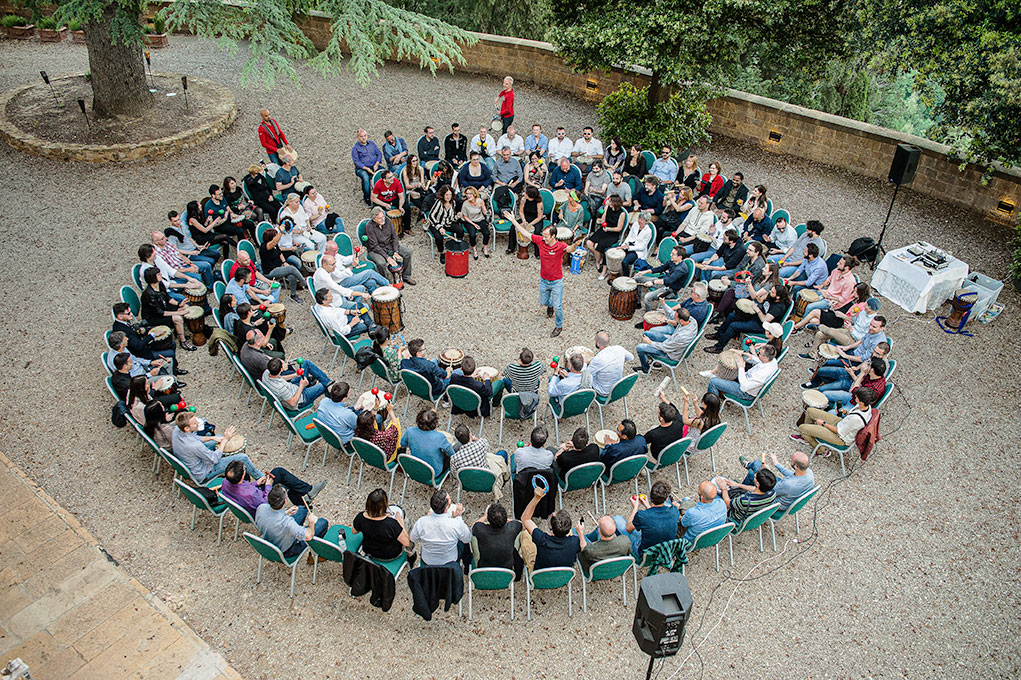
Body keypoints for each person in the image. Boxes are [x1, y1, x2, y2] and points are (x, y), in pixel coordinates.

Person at [506, 216, 570, 337]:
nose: (543, 237)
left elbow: (570, 248)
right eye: (543, 235)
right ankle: (549, 305)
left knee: (558, 306)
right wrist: (513, 221)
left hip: (557, 281)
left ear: (553, 236)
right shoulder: (540, 241)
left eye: (546, 236)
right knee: (543, 302)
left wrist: (575, 245)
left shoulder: (560, 246)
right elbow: (525, 232)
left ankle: (558, 326)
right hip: (544, 280)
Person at [171, 412, 260, 483]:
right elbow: (214, 459)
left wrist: (212, 437)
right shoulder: (195, 446)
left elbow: (195, 438)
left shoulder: (177, 430)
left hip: (190, 458)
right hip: (204, 472)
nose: (198, 423)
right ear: (186, 428)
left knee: (219, 437)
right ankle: (261, 478)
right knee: (243, 457)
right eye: (194, 423)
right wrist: (225, 439)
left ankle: (233, 465)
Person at [220, 459, 326, 518]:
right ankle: (306, 492)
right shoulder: (250, 494)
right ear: (243, 475)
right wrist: (268, 485)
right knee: (282, 480)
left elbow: (242, 487)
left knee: (279, 474)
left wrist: (256, 483)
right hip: (260, 508)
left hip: (247, 500)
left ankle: (303, 500)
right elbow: (265, 503)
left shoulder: (226, 482)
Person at [703, 282, 789, 353]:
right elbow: (762, 301)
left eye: (772, 292)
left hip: (761, 326)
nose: (770, 292)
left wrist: (757, 310)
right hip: (755, 317)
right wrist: (760, 300)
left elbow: (764, 320)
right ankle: (719, 335)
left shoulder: (778, 308)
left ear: (778, 297)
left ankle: (719, 347)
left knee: (734, 326)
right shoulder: (772, 297)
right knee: (731, 316)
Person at [793, 386, 878, 451]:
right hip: (841, 423)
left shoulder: (857, 419)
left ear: (861, 401)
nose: (854, 398)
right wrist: (844, 412)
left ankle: (821, 451)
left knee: (802, 428)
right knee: (810, 411)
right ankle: (808, 434)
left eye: (856, 397)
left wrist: (823, 424)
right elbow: (850, 417)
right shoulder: (864, 406)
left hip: (840, 438)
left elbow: (839, 431)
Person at [255, 485, 328, 559]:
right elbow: (309, 536)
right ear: (285, 501)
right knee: (323, 523)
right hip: (287, 550)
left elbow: (272, 518)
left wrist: (286, 513)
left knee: (302, 509)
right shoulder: (287, 522)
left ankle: (298, 528)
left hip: (269, 539)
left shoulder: (261, 507)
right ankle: (317, 556)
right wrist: (311, 523)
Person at [614, 481, 680, 558]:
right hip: (666, 549)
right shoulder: (674, 511)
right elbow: (657, 517)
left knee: (616, 519)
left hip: (646, 553)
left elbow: (629, 528)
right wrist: (648, 506)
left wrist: (635, 507)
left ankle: (622, 548)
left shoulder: (642, 515)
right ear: (665, 500)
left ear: (651, 497)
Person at [520, 485, 580, 570]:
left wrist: (536, 498)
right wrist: (580, 533)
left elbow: (525, 519)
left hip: (538, 577)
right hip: (562, 577)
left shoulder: (541, 540)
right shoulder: (575, 541)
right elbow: (584, 546)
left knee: (525, 533)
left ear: (551, 526)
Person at [410, 490, 471, 566]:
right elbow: (467, 539)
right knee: (463, 539)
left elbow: (413, 539)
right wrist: (458, 516)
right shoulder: (456, 524)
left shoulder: (421, 522)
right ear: (446, 508)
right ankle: (467, 565)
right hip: (449, 561)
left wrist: (427, 517)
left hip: (428, 560)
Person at [737, 451, 814, 510]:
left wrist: (768, 471)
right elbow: (791, 474)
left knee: (752, 474)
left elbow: (768, 488)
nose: (790, 461)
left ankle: (738, 492)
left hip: (774, 501)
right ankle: (749, 465)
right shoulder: (808, 473)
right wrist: (776, 464)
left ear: (796, 466)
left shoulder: (789, 485)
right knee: (757, 463)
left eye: (791, 461)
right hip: (784, 491)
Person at [140, 267, 195, 349]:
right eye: (158, 274)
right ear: (153, 278)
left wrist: (179, 304)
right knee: (177, 318)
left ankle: (179, 331)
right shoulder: (148, 295)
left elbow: (167, 298)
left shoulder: (160, 284)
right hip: (154, 317)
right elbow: (160, 312)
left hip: (163, 307)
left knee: (185, 307)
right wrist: (178, 313)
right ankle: (183, 341)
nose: (161, 275)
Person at [793, 255, 858, 324]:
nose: (837, 264)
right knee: (799, 293)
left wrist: (827, 296)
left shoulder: (850, 282)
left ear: (846, 268)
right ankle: (796, 314)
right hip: (825, 293)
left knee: (809, 307)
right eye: (839, 262)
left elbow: (843, 299)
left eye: (840, 263)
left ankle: (800, 324)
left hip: (831, 301)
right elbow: (829, 279)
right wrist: (821, 286)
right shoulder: (836, 270)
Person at [450, 424, 510, 498]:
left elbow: (455, 474)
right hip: (487, 482)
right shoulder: (480, 444)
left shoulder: (454, 458)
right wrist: (475, 439)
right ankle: (504, 479)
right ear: (470, 435)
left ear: (458, 441)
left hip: (467, 484)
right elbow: (486, 443)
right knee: (502, 453)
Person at [351, 489, 410, 560]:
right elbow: (407, 543)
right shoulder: (391, 524)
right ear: (385, 505)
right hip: (389, 556)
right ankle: (410, 555)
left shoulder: (360, 517)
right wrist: (400, 522)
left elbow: (354, 531)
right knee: (407, 523)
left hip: (369, 551)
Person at [635, 307, 697, 374]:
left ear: (681, 320)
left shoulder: (682, 336)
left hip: (670, 354)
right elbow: (674, 318)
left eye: (676, 318)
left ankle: (645, 369)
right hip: (670, 341)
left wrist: (650, 342)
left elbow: (664, 347)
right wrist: (666, 320)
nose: (674, 318)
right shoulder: (691, 320)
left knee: (640, 347)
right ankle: (654, 361)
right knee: (646, 334)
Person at [707, 345, 779, 402]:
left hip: (745, 392)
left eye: (759, 354)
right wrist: (753, 358)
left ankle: (711, 408)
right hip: (747, 380)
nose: (757, 354)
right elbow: (762, 363)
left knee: (713, 381)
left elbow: (743, 387)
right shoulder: (773, 361)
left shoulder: (761, 374)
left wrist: (741, 367)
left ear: (765, 357)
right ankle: (721, 391)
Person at [364, 206, 416, 285]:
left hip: (389, 245)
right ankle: (384, 281)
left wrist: (395, 251)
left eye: (383, 217)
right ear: (374, 219)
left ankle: (406, 276)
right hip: (375, 250)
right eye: (380, 218)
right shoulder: (369, 226)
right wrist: (387, 257)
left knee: (408, 252)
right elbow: (375, 246)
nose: (383, 219)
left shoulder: (387, 221)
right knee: (381, 263)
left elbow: (394, 237)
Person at [635, 246, 694, 312]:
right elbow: (661, 268)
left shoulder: (681, 269)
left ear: (680, 257)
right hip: (662, 282)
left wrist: (652, 282)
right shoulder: (672, 261)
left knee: (647, 297)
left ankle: (649, 316)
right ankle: (638, 303)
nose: (670, 255)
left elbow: (668, 281)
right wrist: (645, 271)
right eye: (671, 253)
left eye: (673, 254)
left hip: (670, 290)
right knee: (638, 279)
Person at [401, 408, 454, 475]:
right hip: (434, 472)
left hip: (415, 467)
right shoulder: (440, 437)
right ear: (434, 423)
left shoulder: (410, 431)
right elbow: (451, 453)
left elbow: (402, 444)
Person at [262, 357, 329, 410]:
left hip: (293, 388)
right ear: (281, 370)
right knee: (324, 385)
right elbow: (293, 403)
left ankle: (330, 385)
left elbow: (280, 378)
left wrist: (295, 375)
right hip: (301, 398)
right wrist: (302, 386)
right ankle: (334, 396)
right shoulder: (280, 388)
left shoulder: (266, 373)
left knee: (306, 363)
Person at [585, 194, 626, 280]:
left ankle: (598, 262)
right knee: (589, 243)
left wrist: (609, 229)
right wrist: (600, 220)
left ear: (615, 203)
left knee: (597, 246)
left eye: (610, 201)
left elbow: (619, 228)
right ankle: (598, 259)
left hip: (612, 233)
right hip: (604, 230)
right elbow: (603, 220)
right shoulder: (608, 208)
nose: (608, 202)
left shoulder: (622, 213)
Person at [471, 503, 522, 571]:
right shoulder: (513, 528)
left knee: (473, 537)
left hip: (483, 567)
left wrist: (485, 516)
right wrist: (504, 519)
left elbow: (473, 526)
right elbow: (520, 523)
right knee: (520, 534)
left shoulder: (480, 530)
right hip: (507, 569)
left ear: (488, 519)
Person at [258, 228, 304, 303]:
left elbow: (280, 254)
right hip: (270, 271)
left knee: (291, 275)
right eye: (275, 236)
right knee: (291, 269)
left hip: (279, 266)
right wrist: (281, 232)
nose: (277, 238)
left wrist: (285, 262)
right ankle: (304, 283)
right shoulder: (265, 247)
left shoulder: (275, 246)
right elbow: (273, 242)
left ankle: (293, 295)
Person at [586, 331, 634, 397]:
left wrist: (584, 363)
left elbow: (586, 374)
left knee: (585, 375)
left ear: (597, 343)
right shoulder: (619, 349)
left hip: (603, 391)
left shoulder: (598, 359)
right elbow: (631, 357)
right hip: (617, 387)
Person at [644, 395, 685, 459]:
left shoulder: (654, 434)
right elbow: (675, 410)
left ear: (661, 419)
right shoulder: (680, 422)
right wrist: (663, 398)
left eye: (658, 413)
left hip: (659, 458)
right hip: (675, 454)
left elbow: (643, 441)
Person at [508, 184, 544, 255]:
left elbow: (539, 217)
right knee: (513, 227)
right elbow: (521, 212)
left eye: (526, 192)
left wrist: (530, 225)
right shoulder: (523, 200)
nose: (524, 193)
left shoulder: (539, 203)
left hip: (535, 220)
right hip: (526, 217)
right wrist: (524, 220)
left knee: (537, 232)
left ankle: (537, 252)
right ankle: (511, 247)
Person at [352, 129, 383, 206]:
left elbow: (379, 154)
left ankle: (383, 193)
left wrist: (377, 164)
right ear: (358, 137)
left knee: (384, 173)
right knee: (365, 178)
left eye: (365, 136)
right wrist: (366, 168)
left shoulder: (372, 143)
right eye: (361, 136)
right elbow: (356, 161)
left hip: (374, 165)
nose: (363, 138)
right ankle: (367, 198)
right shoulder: (355, 148)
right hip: (362, 168)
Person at [620, 210, 655, 275]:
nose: (639, 221)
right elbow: (629, 236)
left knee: (625, 262)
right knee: (616, 251)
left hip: (638, 251)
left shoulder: (648, 231)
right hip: (630, 245)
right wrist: (624, 244)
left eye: (642, 220)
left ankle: (625, 278)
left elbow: (642, 247)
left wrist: (629, 247)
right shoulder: (635, 224)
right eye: (639, 218)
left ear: (646, 221)